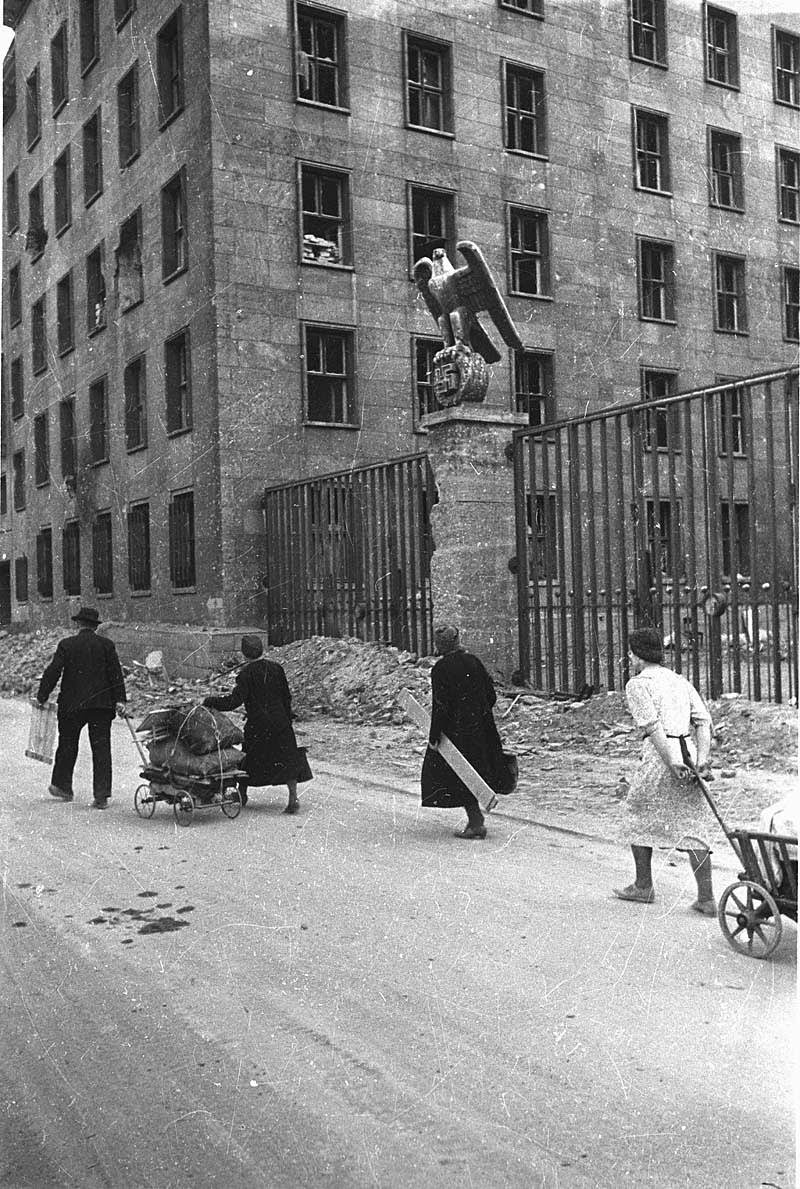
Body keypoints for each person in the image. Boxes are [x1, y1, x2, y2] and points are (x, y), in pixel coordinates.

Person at [612, 626, 715, 914]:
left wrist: (670, 761)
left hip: (661, 757)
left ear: (636, 654)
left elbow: (652, 727)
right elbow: (703, 722)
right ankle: (706, 898)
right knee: (693, 825)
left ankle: (643, 885)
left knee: (637, 814)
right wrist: (702, 759)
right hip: (690, 753)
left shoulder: (637, 684)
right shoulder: (679, 680)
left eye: (631, 653)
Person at [36, 606, 128, 809]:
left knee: (67, 744)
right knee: (101, 748)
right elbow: (115, 674)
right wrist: (120, 700)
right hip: (101, 706)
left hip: (72, 705)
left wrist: (42, 696)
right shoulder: (107, 645)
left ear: (78, 624)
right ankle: (101, 795)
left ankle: (63, 786)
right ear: (95, 627)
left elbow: (53, 671)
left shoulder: (67, 644)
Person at [420, 624, 506, 839]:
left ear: (440, 645)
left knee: (460, 773)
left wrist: (434, 736)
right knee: (475, 771)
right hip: (481, 728)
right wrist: (478, 712)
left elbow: (441, 706)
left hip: (457, 732)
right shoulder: (473, 661)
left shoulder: (441, 668)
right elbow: (491, 696)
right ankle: (476, 819)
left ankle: (476, 822)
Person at [203, 635, 303, 813]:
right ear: (261, 650)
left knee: (248, 758)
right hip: (281, 722)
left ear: (244, 654)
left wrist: (211, 701)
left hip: (258, 725)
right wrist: (287, 718)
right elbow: (286, 697)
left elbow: (233, 702)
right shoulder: (277, 668)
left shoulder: (245, 674)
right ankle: (293, 797)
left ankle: (242, 794)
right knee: (287, 759)